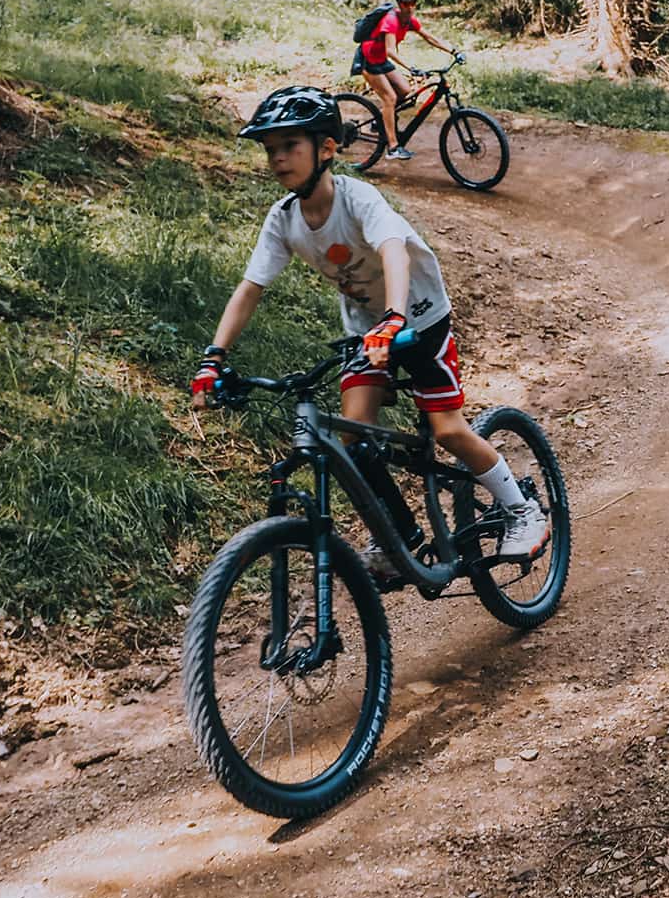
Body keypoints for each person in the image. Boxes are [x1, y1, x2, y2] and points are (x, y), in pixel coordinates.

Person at [191, 85, 549, 574]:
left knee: (446, 429)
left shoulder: (357, 197)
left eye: (290, 146)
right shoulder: (283, 220)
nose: (277, 159)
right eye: (270, 150)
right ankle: (397, 539)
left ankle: (520, 508)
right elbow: (250, 289)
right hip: (366, 331)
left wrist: (396, 317)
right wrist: (213, 359)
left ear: (327, 148)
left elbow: (393, 250)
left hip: (419, 318)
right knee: (353, 438)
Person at [351, 0, 460, 161]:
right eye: (405, 3)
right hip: (369, 59)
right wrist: (410, 68)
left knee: (405, 92)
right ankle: (393, 147)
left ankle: (379, 122)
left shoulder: (409, 20)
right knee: (390, 98)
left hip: (381, 60)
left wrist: (453, 51)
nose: (409, 7)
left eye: (413, 3)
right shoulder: (391, 20)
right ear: (399, 3)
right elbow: (390, 50)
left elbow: (429, 37)